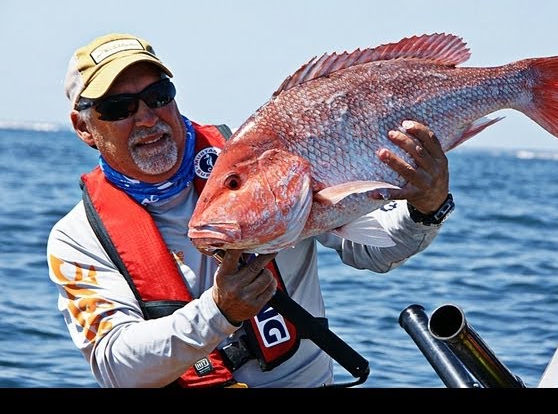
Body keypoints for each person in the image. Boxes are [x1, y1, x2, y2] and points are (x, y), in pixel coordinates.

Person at [47, 33, 454, 388]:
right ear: (83, 128)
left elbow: (373, 248)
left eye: (158, 96)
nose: (147, 117)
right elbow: (117, 369)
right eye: (119, 107)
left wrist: (427, 208)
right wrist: (219, 312)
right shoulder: (78, 237)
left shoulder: (258, 157)